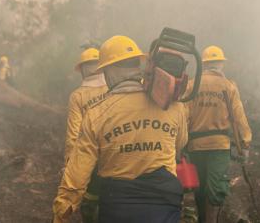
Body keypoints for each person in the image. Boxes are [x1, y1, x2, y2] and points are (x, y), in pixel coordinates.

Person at [53, 35, 188, 223]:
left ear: (109, 71)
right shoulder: (173, 107)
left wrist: (62, 210)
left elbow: (77, 174)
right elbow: (179, 145)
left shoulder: (96, 114)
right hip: (164, 203)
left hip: (118, 204)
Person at [184, 45, 252, 223]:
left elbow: (183, 116)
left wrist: (179, 143)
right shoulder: (228, 86)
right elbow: (239, 117)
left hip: (195, 146)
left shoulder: (192, 85)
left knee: (199, 187)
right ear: (221, 64)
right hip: (219, 147)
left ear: (204, 65)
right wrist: (245, 143)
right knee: (215, 189)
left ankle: (202, 219)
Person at [65, 47, 108, 223]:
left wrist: (70, 163)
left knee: (91, 196)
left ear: (82, 70)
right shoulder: (115, 87)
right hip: (116, 151)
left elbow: (73, 133)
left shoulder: (78, 96)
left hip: (90, 154)